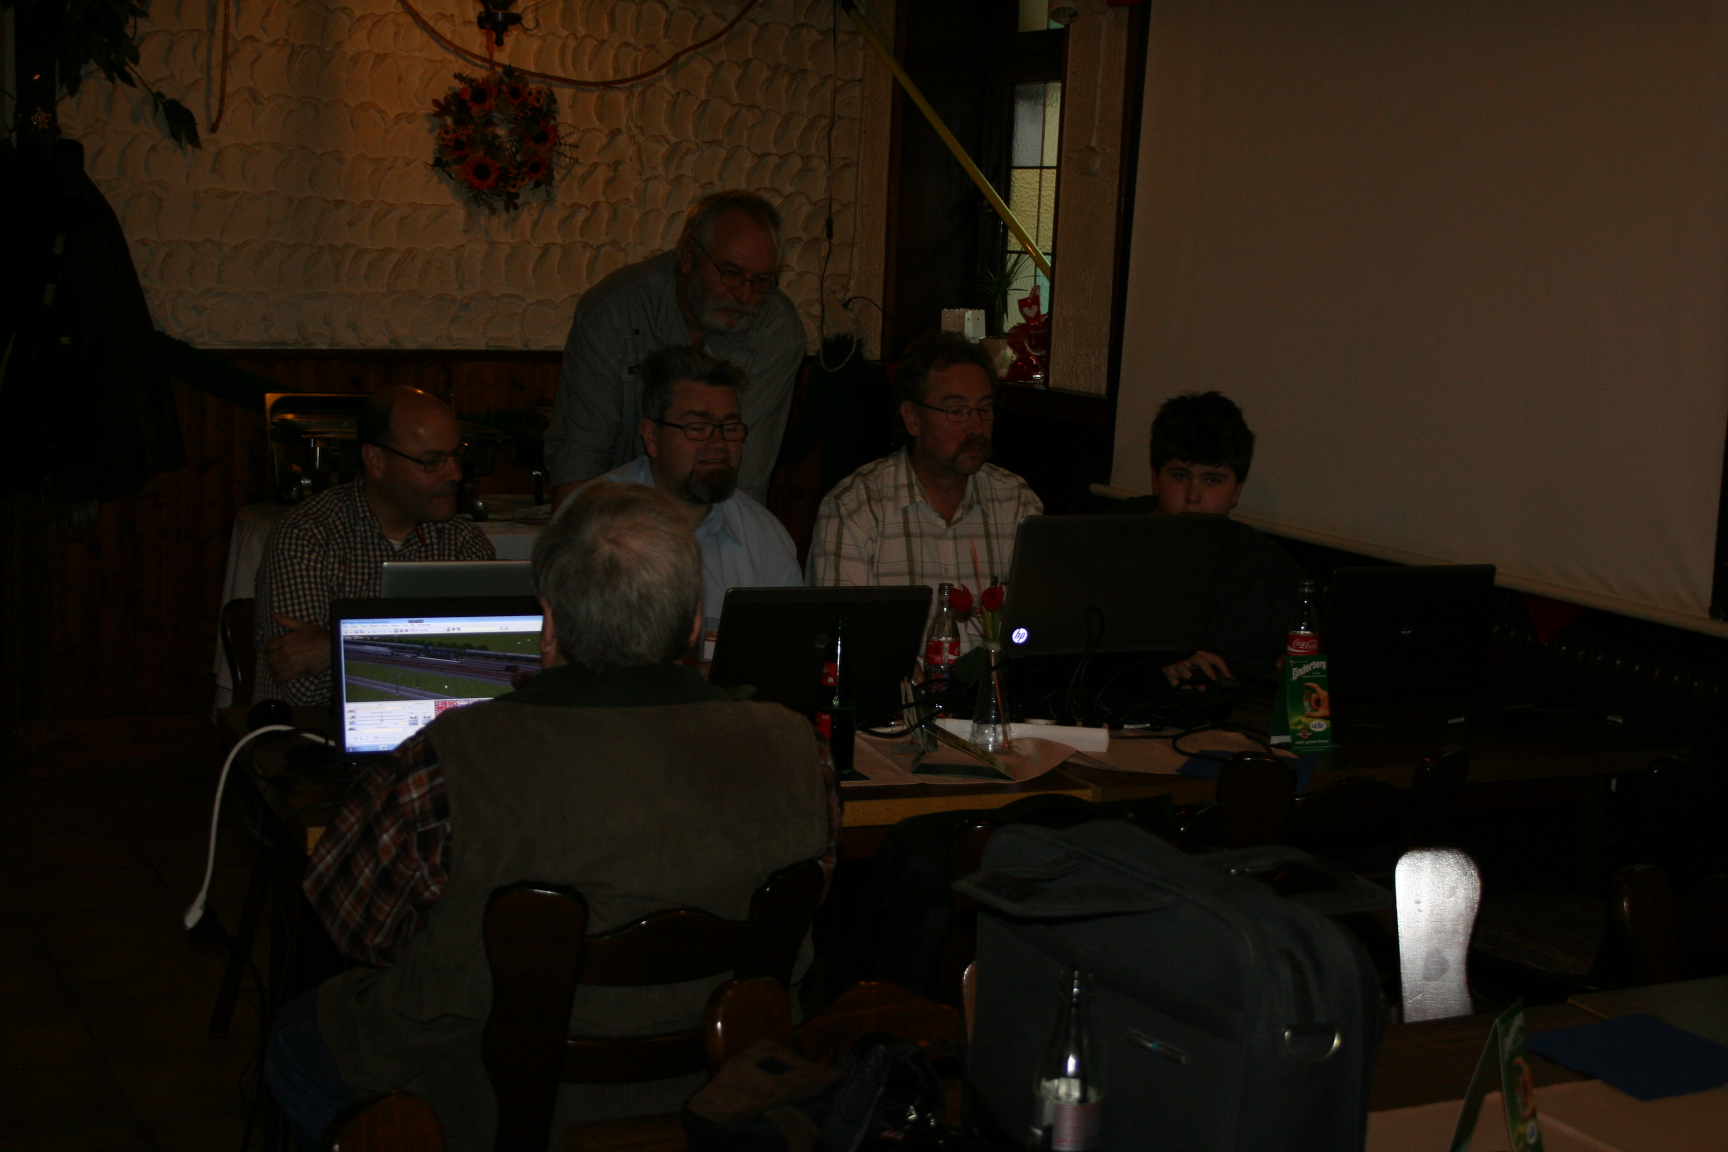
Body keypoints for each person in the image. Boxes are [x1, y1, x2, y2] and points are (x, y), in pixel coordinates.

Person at [264, 482, 838, 1152]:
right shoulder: (801, 748)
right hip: (720, 1087)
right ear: (691, 624)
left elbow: (356, 926)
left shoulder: (447, 758)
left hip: (486, 1093)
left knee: (296, 1040)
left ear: (550, 626)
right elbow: (813, 896)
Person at [545, 190, 805, 507]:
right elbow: (580, 459)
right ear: (688, 255)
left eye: (761, 280)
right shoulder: (613, 312)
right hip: (612, 512)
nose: (745, 295)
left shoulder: (776, 329)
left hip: (712, 514)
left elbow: (745, 476)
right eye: (731, 274)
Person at [254, 386, 493, 705]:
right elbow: (305, 690)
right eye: (433, 461)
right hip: (313, 731)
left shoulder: (464, 542)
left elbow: (487, 672)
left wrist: (338, 646)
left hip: (436, 726)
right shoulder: (307, 535)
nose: (455, 473)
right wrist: (432, 652)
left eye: (457, 454)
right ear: (375, 461)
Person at [807, 332, 1043, 648]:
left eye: (985, 409)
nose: (976, 426)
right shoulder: (854, 508)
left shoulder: (1016, 501)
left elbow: (1037, 626)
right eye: (957, 410)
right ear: (913, 419)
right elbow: (842, 639)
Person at [592, 345, 801, 649]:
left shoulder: (764, 537)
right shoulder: (592, 520)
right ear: (651, 436)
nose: (718, 442)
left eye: (730, 427)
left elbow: (788, 652)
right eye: (698, 427)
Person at [1116, 391, 1305, 688]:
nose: (1193, 496)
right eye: (1180, 476)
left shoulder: (1265, 563)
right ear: (1155, 479)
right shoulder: (1110, 542)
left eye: (1212, 480)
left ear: (1236, 491)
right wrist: (1157, 660)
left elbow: (1300, 645)